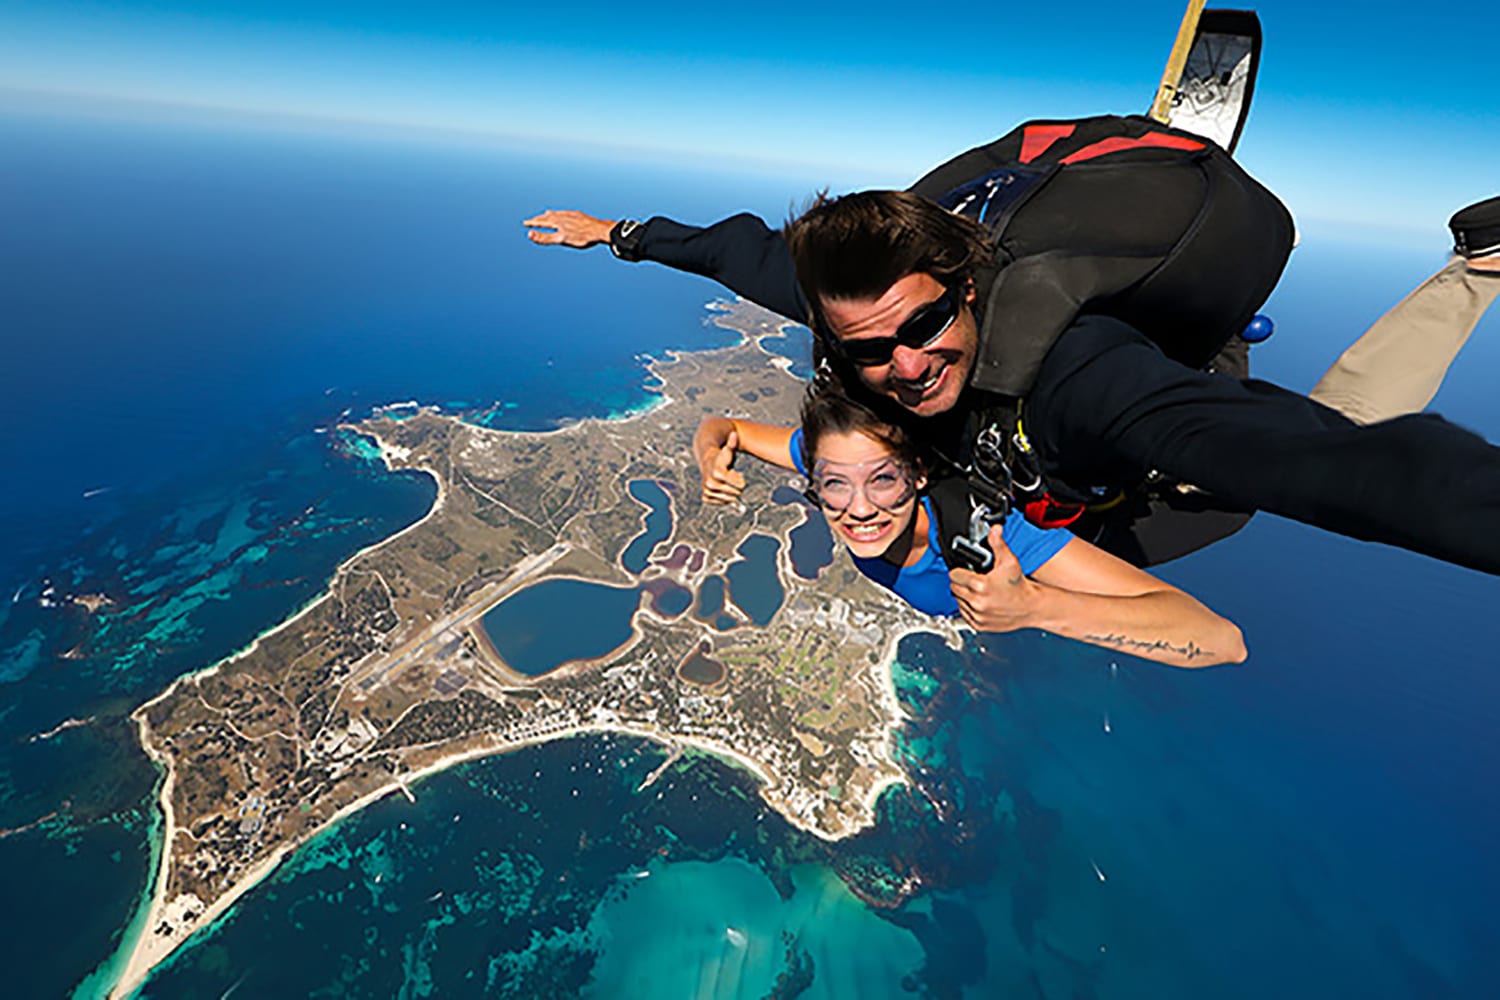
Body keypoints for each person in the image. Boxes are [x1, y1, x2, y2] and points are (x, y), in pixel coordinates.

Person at [524, 116, 1500, 575]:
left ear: (967, 287)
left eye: (925, 325)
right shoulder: (851, 315)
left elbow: (1325, 463)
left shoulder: (1076, 375)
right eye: (871, 349)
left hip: (1156, 466)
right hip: (1055, 473)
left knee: (1311, 438)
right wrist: (618, 235)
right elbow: (739, 252)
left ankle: (1477, 270)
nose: (903, 363)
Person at [693, 382, 1245, 668]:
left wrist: (1035, 607)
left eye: (883, 480)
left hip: (1138, 517)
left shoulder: (995, 535)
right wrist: (709, 456)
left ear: (920, 476)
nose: (857, 508)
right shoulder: (837, 459)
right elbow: (723, 428)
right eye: (834, 484)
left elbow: (1221, 641)